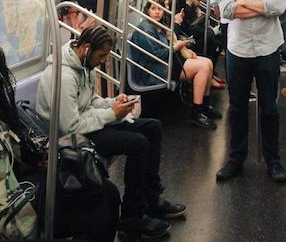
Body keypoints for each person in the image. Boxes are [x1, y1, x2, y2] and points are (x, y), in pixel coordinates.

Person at [36, 26, 186, 238]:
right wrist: (111, 115)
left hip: (87, 124)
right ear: (87, 48)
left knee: (153, 127)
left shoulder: (85, 65)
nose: (104, 60)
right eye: (102, 55)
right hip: (70, 139)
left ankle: (150, 198)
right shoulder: (63, 76)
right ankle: (131, 217)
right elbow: (70, 126)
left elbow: (91, 101)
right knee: (138, 143)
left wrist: (113, 102)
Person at [0, 45, 120, 242]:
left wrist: (40, 158)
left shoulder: (6, 113)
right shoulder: (66, 76)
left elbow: (19, 148)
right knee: (98, 212)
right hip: (12, 205)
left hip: (24, 181)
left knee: (108, 192)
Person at [216, 0, 286, 182]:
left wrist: (242, 3)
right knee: (237, 108)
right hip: (239, 49)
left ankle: (273, 160)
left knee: (269, 108)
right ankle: (236, 158)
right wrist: (262, 7)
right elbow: (225, 9)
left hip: (268, 48)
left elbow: (280, 5)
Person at [131, 0, 221, 128]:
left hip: (165, 63)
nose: (157, 12)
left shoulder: (156, 25)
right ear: (147, 10)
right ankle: (196, 112)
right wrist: (175, 48)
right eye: (153, 8)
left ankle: (204, 106)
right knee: (203, 67)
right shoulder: (145, 29)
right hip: (153, 69)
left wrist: (182, 50)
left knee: (208, 62)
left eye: (160, 9)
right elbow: (154, 56)